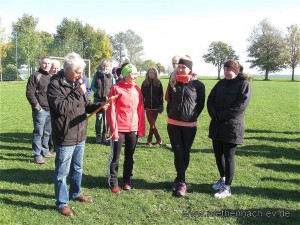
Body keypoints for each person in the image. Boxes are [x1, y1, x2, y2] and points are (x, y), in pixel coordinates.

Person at [47, 52, 104, 216]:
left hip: (80, 133)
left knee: (77, 168)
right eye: (78, 72)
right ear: (67, 70)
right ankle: (62, 203)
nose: (81, 75)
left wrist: (99, 106)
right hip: (65, 135)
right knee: (62, 173)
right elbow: (61, 108)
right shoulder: (54, 85)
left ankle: (76, 192)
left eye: (82, 72)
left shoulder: (78, 83)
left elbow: (85, 104)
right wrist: (78, 92)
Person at [207, 60, 252, 199]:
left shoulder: (243, 84)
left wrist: (220, 116)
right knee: (218, 154)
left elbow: (240, 106)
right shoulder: (220, 83)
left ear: (236, 70)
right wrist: (214, 114)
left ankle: (227, 187)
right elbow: (210, 99)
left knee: (228, 156)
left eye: (229, 69)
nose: (226, 72)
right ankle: (222, 179)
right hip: (217, 124)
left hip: (232, 126)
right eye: (225, 69)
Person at [166, 55, 205, 197]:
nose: (181, 69)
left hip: (189, 125)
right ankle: (182, 182)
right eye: (179, 67)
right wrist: (172, 113)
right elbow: (169, 102)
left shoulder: (198, 85)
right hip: (173, 124)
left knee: (186, 152)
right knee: (177, 152)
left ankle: (178, 178)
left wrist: (191, 117)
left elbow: (200, 105)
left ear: (190, 69)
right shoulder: (173, 83)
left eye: (184, 67)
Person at [107, 63, 145, 194]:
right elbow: (111, 110)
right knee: (115, 157)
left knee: (130, 156)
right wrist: (114, 130)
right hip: (119, 128)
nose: (135, 76)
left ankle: (127, 180)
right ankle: (113, 182)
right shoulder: (116, 88)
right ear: (125, 75)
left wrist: (140, 129)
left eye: (136, 73)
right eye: (133, 74)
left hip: (133, 128)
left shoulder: (137, 89)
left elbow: (140, 110)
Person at [26, 56, 55, 164]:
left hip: (51, 110)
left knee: (47, 132)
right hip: (40, 111)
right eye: (44, 63)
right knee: (38, 133)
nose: (46, 65)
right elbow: (30, 93)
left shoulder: (52, 76)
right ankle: (37, 155)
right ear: (40, 64)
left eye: (48, 63)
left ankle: (45, 151)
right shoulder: (35, 76)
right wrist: (38, 108)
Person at [91, 59, 114, 144]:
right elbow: (92, 86)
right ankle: (98, 135)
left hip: (107, 100)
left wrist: (110, 96)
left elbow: (113, 87)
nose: (105, 67)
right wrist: (97, 92)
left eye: (106, 66)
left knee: (106, 119)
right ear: (101, 66)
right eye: (103, 66)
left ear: (108, 67)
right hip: (98, 99)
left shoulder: (111, 76)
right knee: (99, 118)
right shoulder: (97, 74)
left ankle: (105, 134)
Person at [141, 67, 164, 147]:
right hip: (147, 107)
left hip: (156, 107)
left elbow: (161, 95)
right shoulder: (144, 83)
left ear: (155, 74)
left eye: (153, 73)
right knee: (152, 123)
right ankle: (158, 139)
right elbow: (142, 96)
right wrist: (142, 105)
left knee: (152, 125)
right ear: (148, 74)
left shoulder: (158, 83)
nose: (151, 74)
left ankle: (149, 140)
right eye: (150, 73)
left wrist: (161, 105)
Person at [48, 59, 61, 153]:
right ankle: (50, 146)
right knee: (48, 128)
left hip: (57, 105)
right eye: (54, 68)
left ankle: (55, 145)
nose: (55, 70)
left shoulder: (60, 79)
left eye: (57, 68)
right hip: (46, 106)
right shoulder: (46, 77)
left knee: (56, 127)